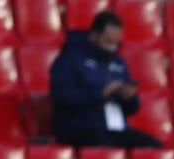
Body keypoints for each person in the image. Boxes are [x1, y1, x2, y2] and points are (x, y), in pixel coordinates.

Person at [49, 11, 163, 149]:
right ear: (94, 35)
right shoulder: (70, 59)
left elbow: (132, 108)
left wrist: (130, 97)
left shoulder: (118, 62)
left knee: (152, 147)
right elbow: (62, 97)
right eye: (108, 42)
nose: (112, 47)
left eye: (116, 43)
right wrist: (101, 93)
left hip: (116, 128)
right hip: (81, 127)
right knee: (105, 145)